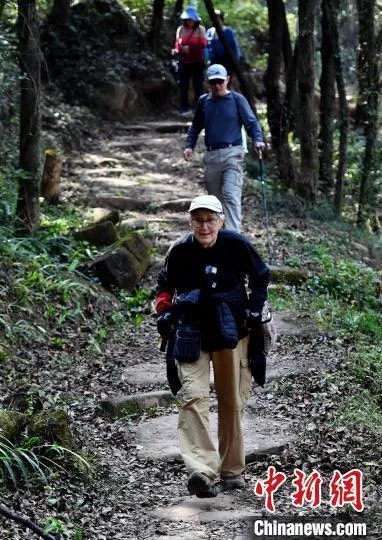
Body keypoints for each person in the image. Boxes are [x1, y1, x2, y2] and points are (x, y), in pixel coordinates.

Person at [156, 194, 270, 498]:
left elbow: (261, 278)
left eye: (210, 220)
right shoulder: (180, 250)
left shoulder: (236, 244)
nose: (204, 226)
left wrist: (255, 310)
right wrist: (165, 310)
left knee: (231, 400)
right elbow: (164, 286)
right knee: (192, 396)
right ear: (190, 221)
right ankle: (203, 472)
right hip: (191, 330)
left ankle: (232, 470)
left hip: (232, 330)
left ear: (221, 220)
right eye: (198, 220)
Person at [183, 64, 265, 233]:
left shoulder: (237, 100)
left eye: (220, 81)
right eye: (213, 82)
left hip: (233, 153)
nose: (217, 86)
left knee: (230, 194)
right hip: (212, 155)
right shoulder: (204, 102)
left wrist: (257, 140)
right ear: (208, 83)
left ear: (227, 80)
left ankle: (233, 236)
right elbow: (196, 126)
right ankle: (218, 235)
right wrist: (189, 146)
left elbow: (251, 122)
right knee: (214, 201)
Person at [172, 6, 207, 116]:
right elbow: (177, 44)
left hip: (197, 62)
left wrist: (190, 48)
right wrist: (177, 50)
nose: (189, 22)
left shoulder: (200, 30)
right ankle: (184, 108)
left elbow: (203, 44)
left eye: (191, 20)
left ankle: (199, 108)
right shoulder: (180, 29)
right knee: (183, 85)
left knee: (198, 85)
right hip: (184, 62)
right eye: (187, 20)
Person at [206, 9, 241, 74]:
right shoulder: (210, 32)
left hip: (227, 62)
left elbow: (234, 48)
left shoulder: (228, 32)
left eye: (218, 18)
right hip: (215, 62)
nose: (216, 20)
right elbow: (208, 48)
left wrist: (235, 61)